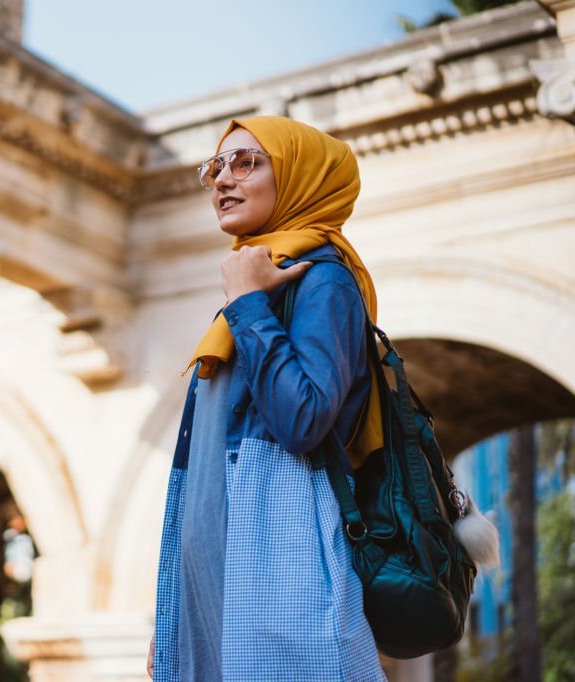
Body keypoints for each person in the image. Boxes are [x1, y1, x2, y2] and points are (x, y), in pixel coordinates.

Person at [148, 116, 388, 681]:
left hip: (281, 565)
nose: (222, 180)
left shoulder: (320, 279)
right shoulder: (262, 277)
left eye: (247, 162)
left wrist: (249, 301)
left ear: (301, 176)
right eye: (215, 166)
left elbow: (303, 420)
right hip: (222, 576)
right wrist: (176, 617)